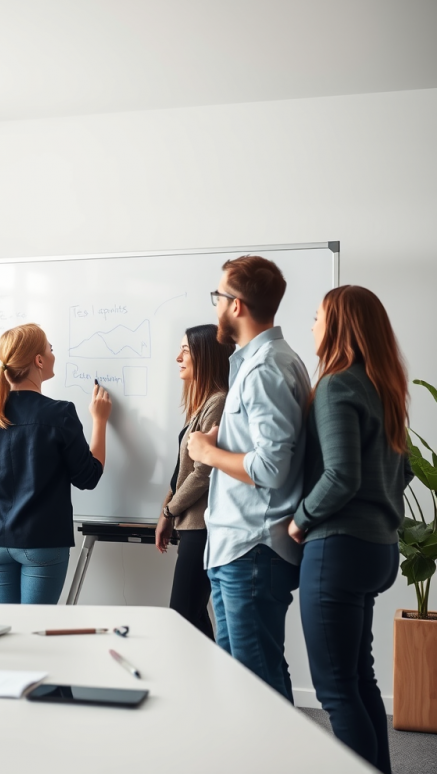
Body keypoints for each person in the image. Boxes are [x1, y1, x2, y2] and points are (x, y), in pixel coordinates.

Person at [289, 286, 410, 774]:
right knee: (361, 682)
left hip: (337, 550)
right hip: (377, 549)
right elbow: (398, 476)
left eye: (318, 317)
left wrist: (300, 519)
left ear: (338, 325)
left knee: (337, 692)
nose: (312, 325)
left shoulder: (338, 385)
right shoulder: (385, 390)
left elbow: (341, 475)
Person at [187, 255, 310, 702]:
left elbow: (272, 468)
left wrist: (208, 451)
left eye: (218, 296)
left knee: (257, 686)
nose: (216, 305)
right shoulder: (256, 363)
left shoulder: (265, 368)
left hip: (253, 549)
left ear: (236, 305)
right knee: (248, 679)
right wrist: (228, 436)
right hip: (234, 548)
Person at [0, 323, 112, 605]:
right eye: (49, 348)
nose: (52, 354)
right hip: (42, 541)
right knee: (34, 632)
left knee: (9, 631)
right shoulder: (60, 414)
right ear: (38, 360)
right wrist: (100, 421)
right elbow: (88, 477)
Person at [155, 325, 233, 638]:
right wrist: (167, 511)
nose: (178, 357)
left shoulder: (218, 402)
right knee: (193, 618)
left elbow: (204, 470)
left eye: (185, 350)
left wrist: (169, 512)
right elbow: (181, 470)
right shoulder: (204, 404)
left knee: (183, 616)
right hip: (191, 525)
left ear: (206, 355)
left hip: (202, 526)